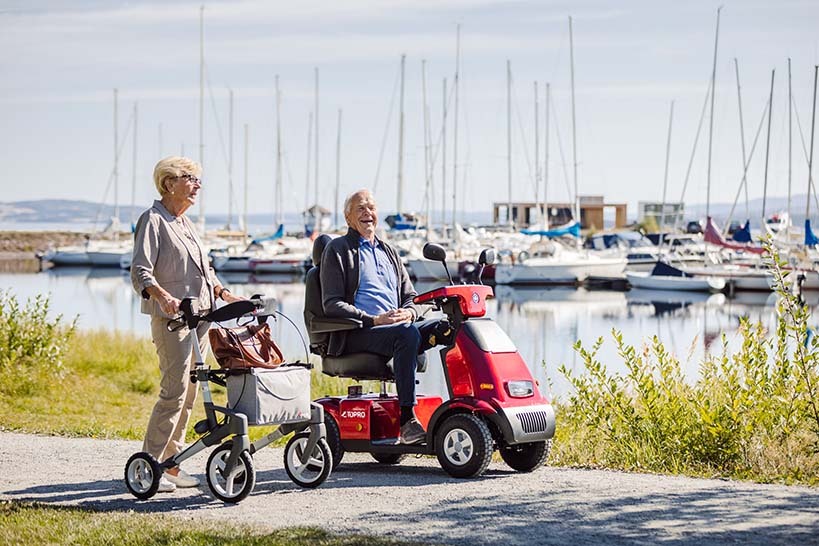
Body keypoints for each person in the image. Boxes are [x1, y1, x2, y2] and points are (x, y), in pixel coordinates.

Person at [131, 156, 243, 492]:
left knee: (193, 390)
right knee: (174, 392)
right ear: (169, 183)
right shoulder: (153, 220)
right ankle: (148, 466)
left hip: (202, 317)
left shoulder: (185, 222)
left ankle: (172, 463)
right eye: (190, 178)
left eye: (198, 179)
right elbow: (140, 270)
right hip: (173, 320)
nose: (197, 185)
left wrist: (222, 292)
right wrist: (162, 296)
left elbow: (204, 269)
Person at [321, 189, 449, 445]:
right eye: (360, 208)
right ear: (348, 218)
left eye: (371, 207)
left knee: (448, 327)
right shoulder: (338, 250)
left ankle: (464, 403)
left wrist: (410, 312)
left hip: (396, 328)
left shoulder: (389, 251)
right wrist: (375, 320)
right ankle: (406, 420)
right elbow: (331, 304)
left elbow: (412, 297)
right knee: (406, 334)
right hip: (358, 331)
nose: (368, 213)